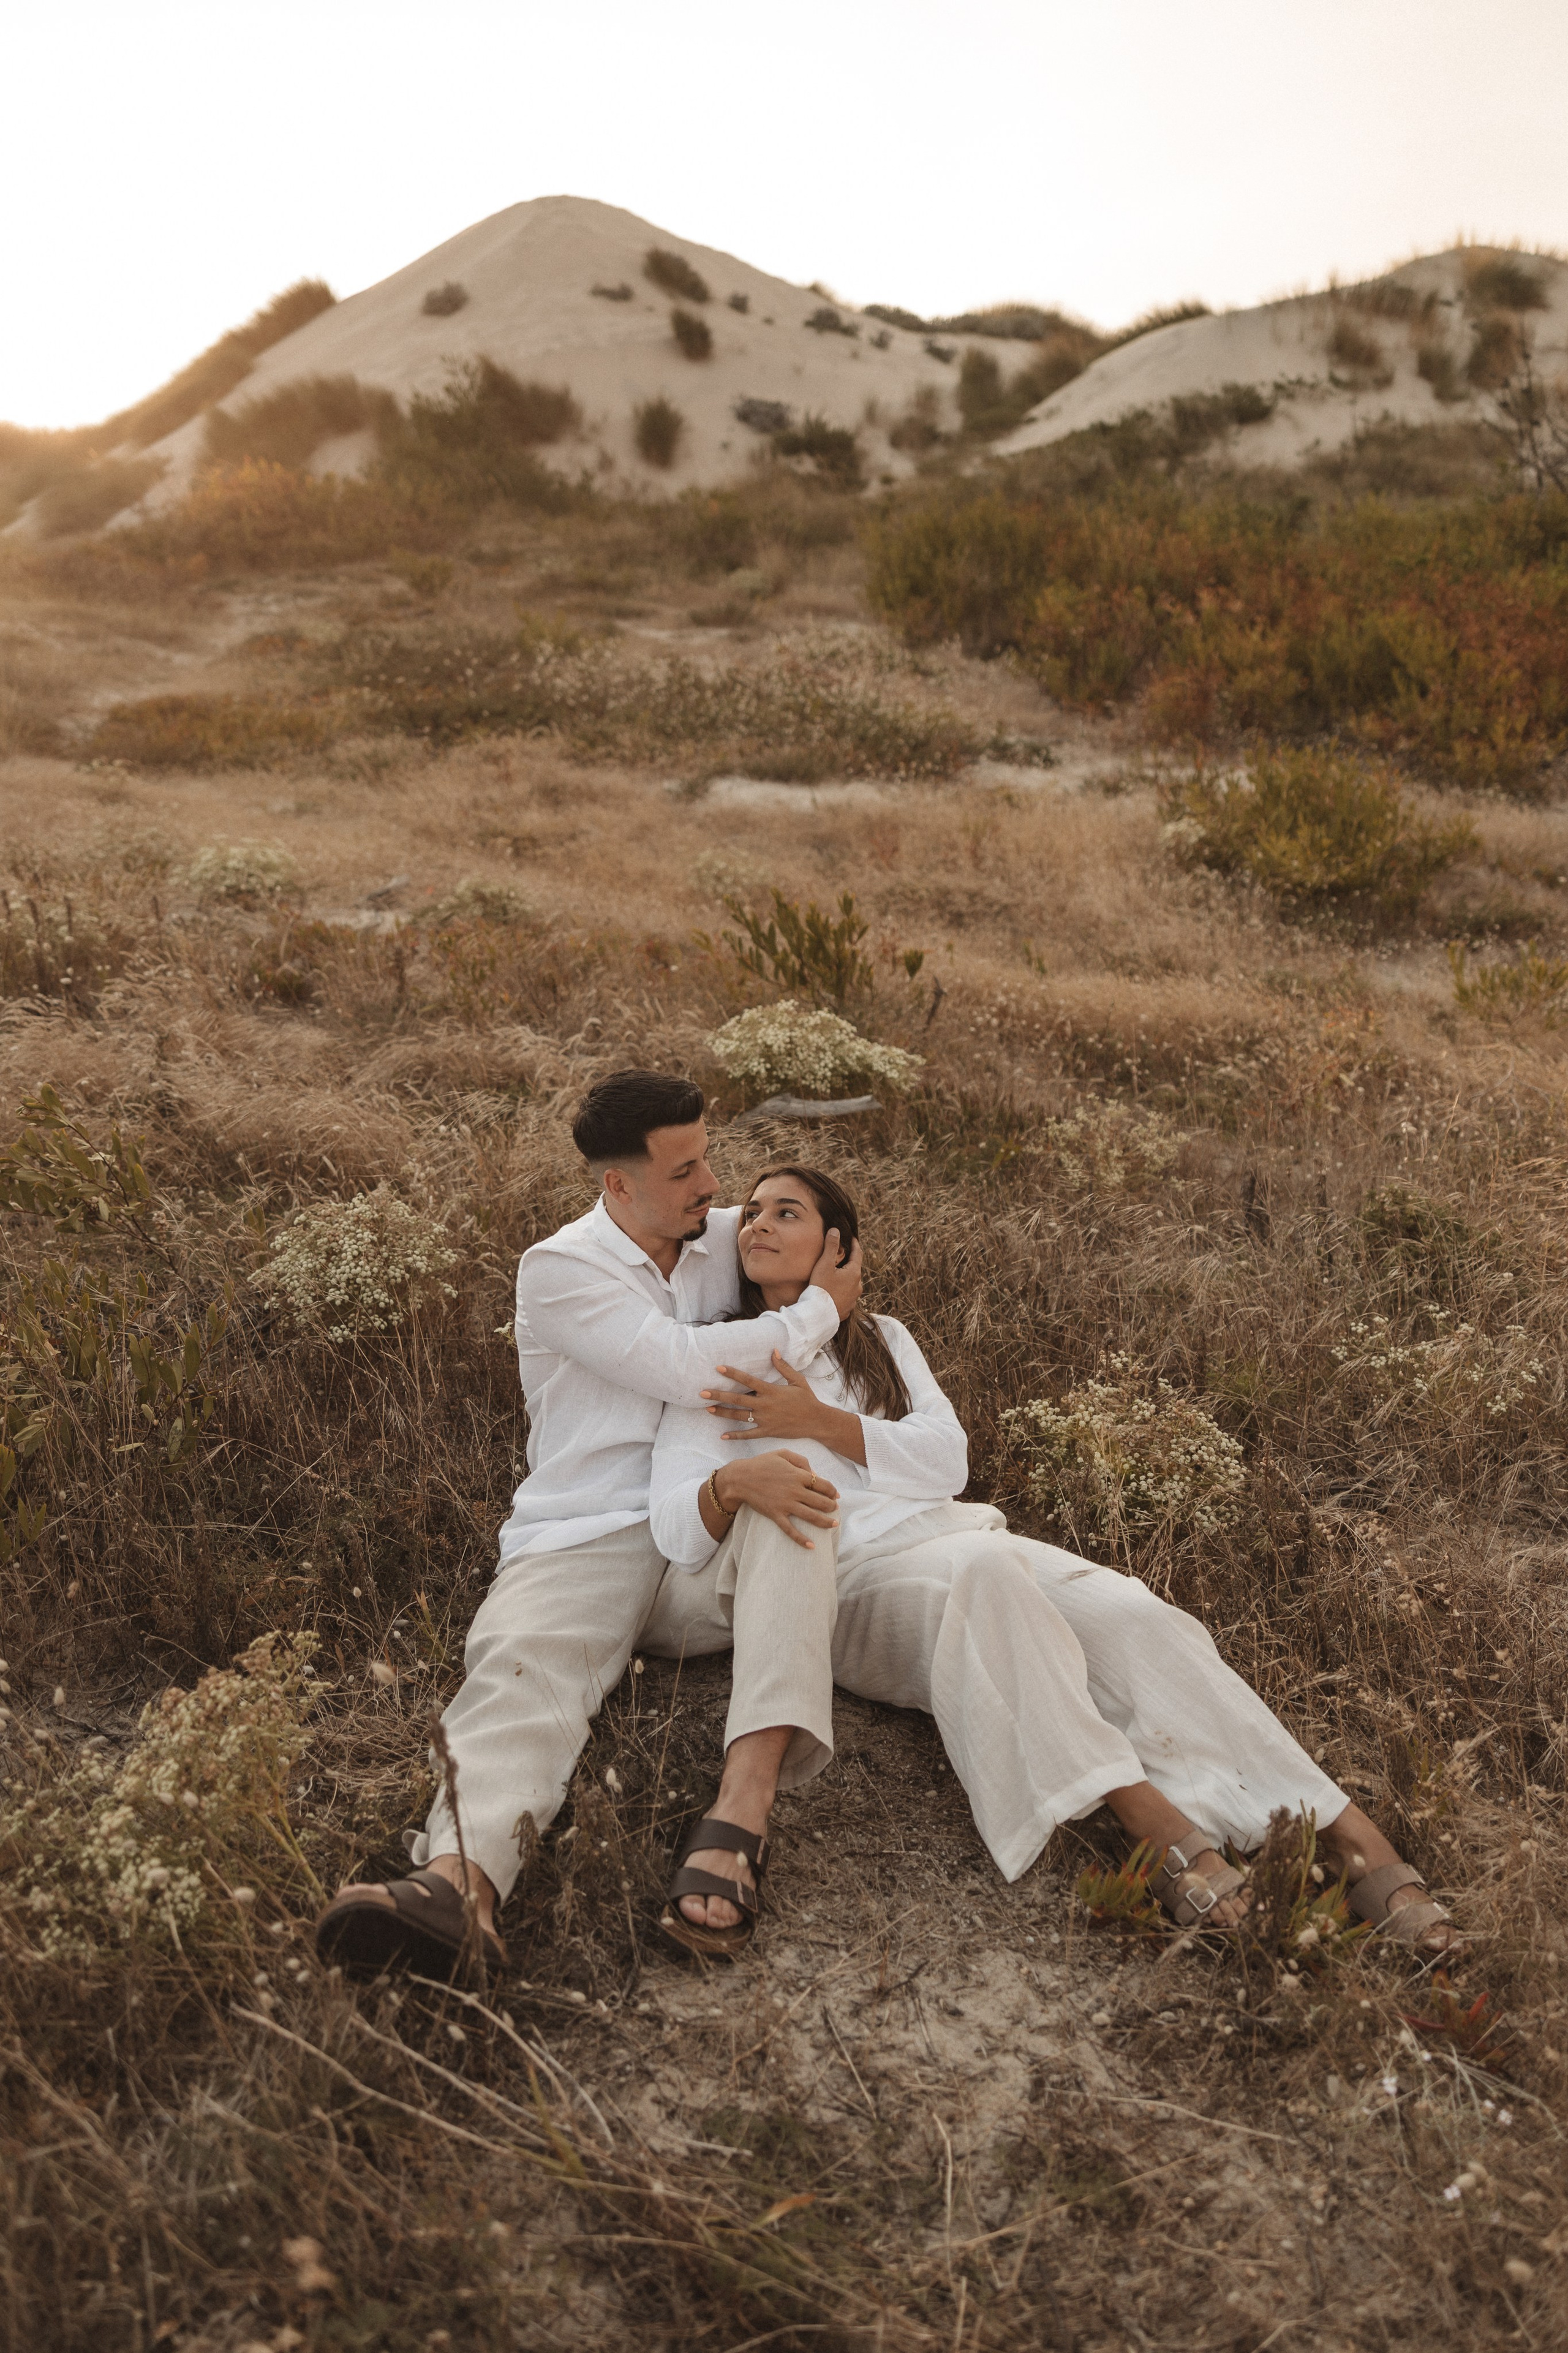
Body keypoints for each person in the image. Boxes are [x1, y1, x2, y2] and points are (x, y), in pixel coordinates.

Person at [643, 1161, 1460, 1963]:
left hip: (953, 1533)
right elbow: (677, 1524)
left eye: (785, 1211)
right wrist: (735, 1481)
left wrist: (818, 1420)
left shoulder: (883, 1340)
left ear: (839, 1247)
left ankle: (1344, 1831)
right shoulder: (717, 1358)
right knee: (990, 1574)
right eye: (752, 1211)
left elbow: (948, 1460)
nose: (757, 1223)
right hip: (853, 1582)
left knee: (1137, 1614)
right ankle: (1154, 1823)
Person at [314, 1071, 858, 1979]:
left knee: (790, 1496)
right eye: (684, 1172)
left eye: (708, 1159)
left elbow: (822, 1243)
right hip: (592, 1528)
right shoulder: (561, 1269)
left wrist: (831, 1281)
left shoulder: (721, 1234)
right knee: (525, 1671)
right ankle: (460, 1887)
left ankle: (743, 1812)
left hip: (707, 1533)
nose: (712, 1187)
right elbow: (686, 1367)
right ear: (619, 1185)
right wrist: (816, 1314)